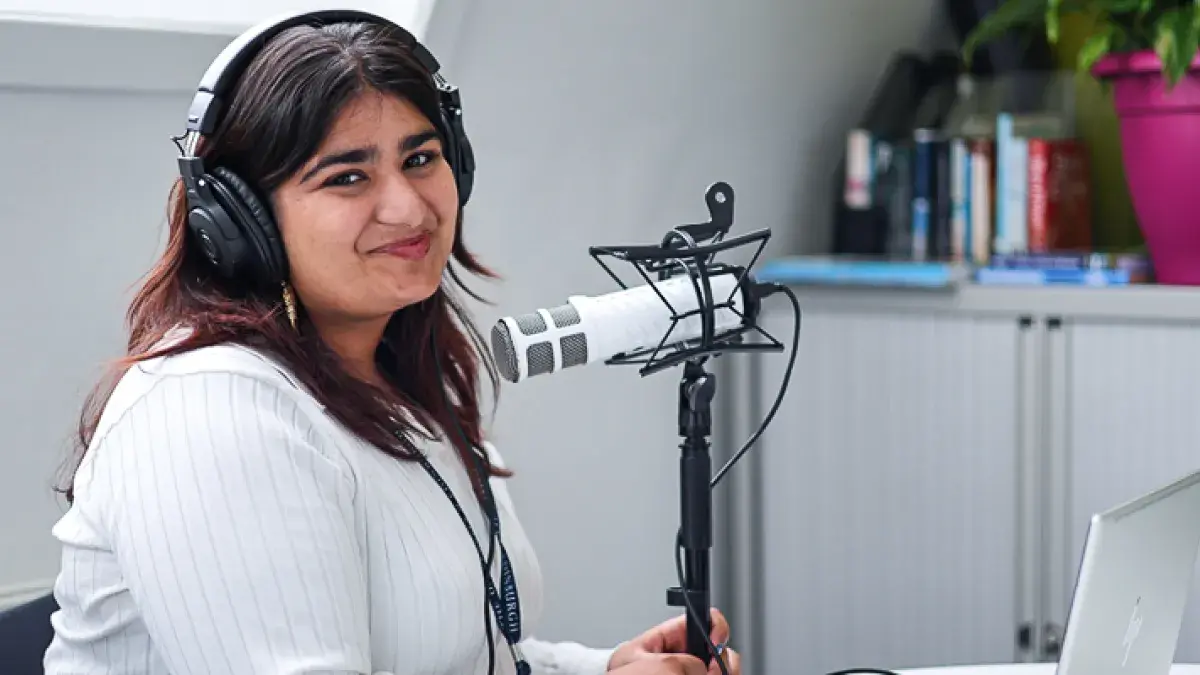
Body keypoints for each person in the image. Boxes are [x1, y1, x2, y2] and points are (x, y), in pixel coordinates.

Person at [40, 9, 742, 675]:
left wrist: (601, 667)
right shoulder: (210, 413)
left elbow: (466, 653)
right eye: (346, 176)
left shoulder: (396, 382)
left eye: (421, 157)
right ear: (240, 219)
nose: (407, 207)